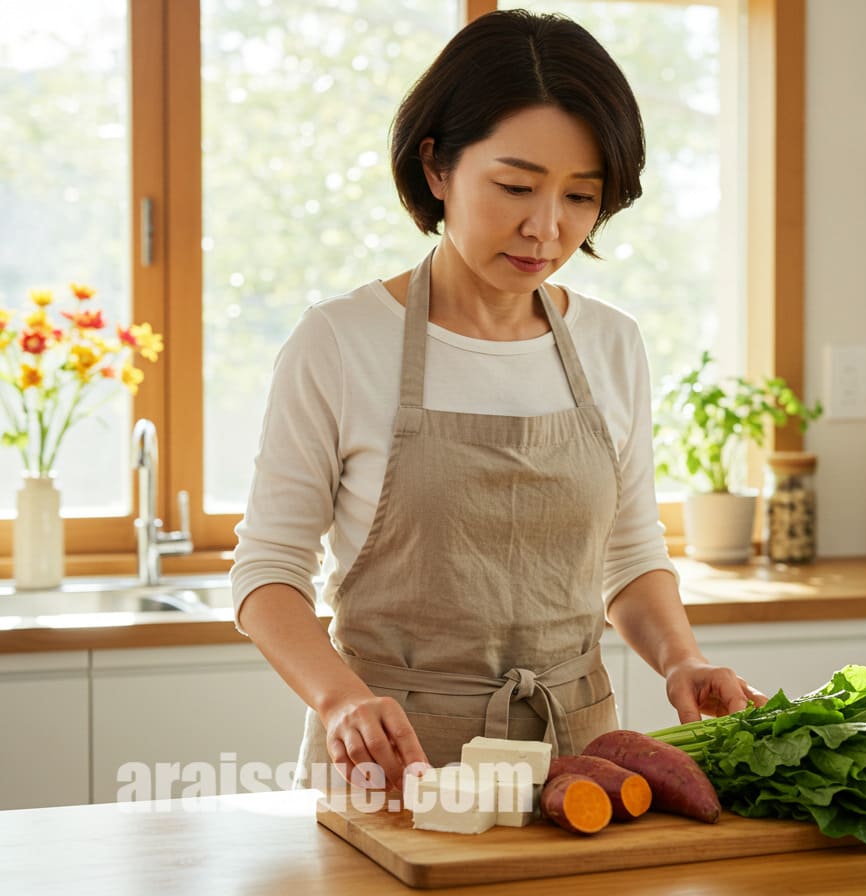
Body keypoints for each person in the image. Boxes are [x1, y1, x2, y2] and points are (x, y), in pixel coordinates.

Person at [230, 8, 767, 793]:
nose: (545, 229)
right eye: (515, 186)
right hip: (394, 762)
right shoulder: (341, 342)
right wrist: (341, 699)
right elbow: (268, 571)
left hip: (580, 759)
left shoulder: (611, 343)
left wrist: (680, 659)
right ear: (437, 168)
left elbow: (629, 553)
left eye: (581, 196)